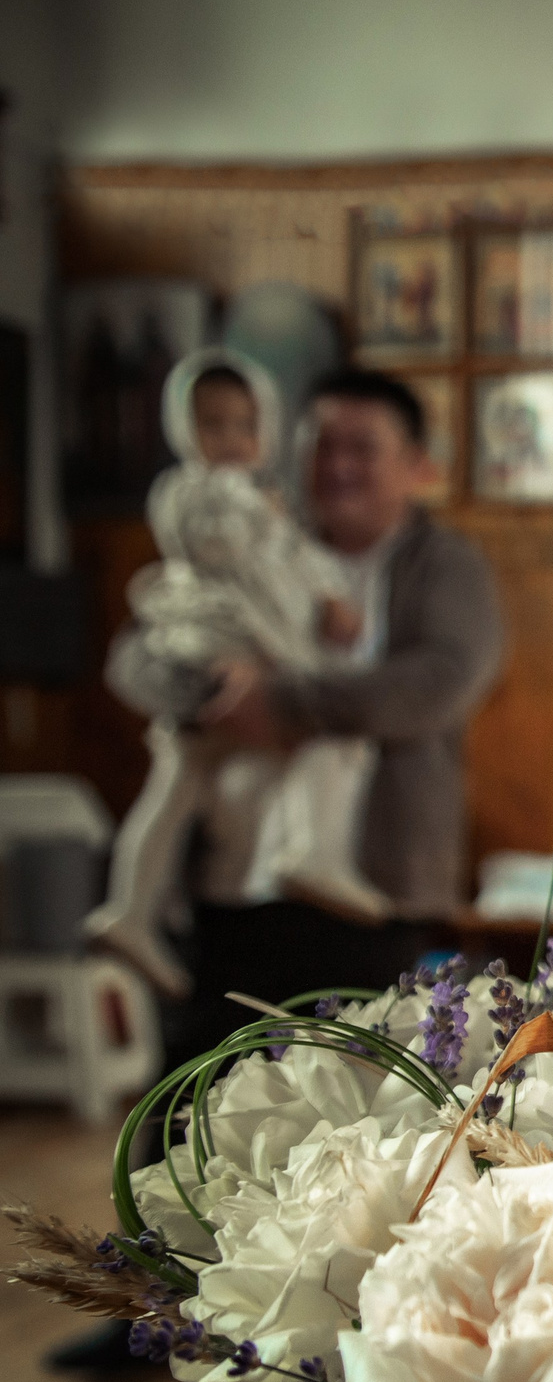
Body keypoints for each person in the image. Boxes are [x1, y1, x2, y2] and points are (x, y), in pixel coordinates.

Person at [47, 367, 505, 1380]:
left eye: (362, 447)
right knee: (187, 1090)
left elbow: (438, 684)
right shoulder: (247, 537)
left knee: (358, 1107)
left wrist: (285, 705)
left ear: (413, 465)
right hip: (232, 872)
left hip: (369, 882)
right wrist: (209, 687)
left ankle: (346, 1325)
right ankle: (145, 1305)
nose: (335, 465)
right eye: (320, 444)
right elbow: (134, 657)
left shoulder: (443, 565)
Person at [86, 349, 382, 997]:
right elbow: (246, 559)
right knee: (331, 734)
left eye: (246, 425)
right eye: (213, 424)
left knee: (176, 788)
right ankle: (308, 851)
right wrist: (270, 529)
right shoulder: (201, 494)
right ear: (182, 428)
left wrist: (328, 597)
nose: (231, 440)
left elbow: (296, 567)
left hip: (230, 672)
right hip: (212, 657)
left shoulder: (263, 505)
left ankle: (130, 909)